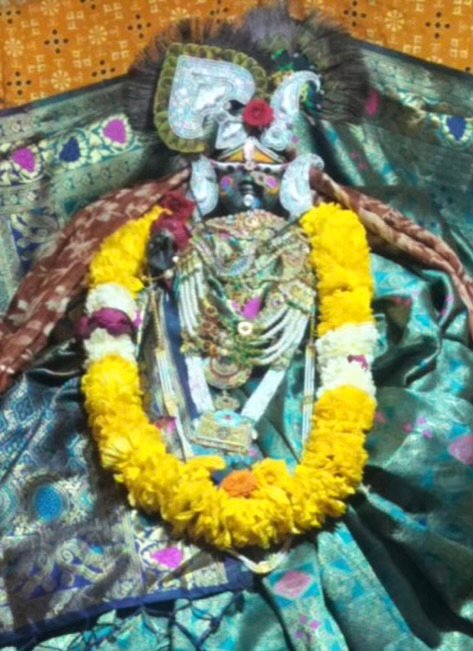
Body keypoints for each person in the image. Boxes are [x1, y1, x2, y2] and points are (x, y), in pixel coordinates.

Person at [1, 6, 473, 649]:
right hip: (170, 381)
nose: (250, 165)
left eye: (269, 151)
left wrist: (307, 228)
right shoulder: (158, 232)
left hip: (306, 373)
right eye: (232, 151)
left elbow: (370, 293)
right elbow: (107, 292)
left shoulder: (330, 232)